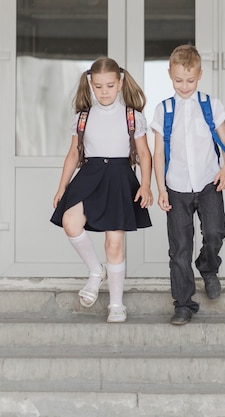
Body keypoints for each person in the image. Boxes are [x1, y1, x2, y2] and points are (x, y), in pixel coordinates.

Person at [51, 57, 153, 323]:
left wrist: (145, 184)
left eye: (109, 85)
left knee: (114, 243)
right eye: (98, 86)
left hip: (120, 177)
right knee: (70, 221)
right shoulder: (83, 117)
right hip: (90, 174)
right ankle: (96, 271)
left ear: (119, 84)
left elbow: (144, 153)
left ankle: (116, 304)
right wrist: (62, 186)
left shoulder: (132, 116)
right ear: (91, 85)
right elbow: (74, 153)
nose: (104, 91)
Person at [150, 44, 225, 325]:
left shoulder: (211, 104)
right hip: (176, 186)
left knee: (216, 231)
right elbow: (158, 152)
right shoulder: (164, 110)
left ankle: (208, 267)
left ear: (199, 74)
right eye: (178, 80)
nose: (184, 86)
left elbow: (224, 141)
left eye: (189, 80)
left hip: (208, 182)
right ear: (169, 75)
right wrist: (161, 188)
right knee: (179, 248)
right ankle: (183, 304)